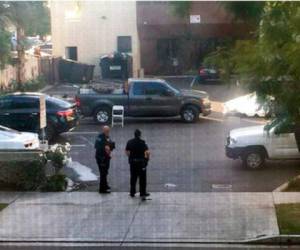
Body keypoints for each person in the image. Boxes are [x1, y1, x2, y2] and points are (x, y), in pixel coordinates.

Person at [125, 129, 150, 200]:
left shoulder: (129, 142)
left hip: (133, 163)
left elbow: (127, 151)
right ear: (140, 135)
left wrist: (130, 157)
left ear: (134, 134)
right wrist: (147, 159)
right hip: (141, 163)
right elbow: (147, 152)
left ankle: (132, 192)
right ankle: (142, 192)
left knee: (133, 178)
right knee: (142, 179)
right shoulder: (143, 142)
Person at [95, 125, 115, 193]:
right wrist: (105, 147)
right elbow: (97, 146)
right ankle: (102, 189)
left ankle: (105, 185)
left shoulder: (107, 137)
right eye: (106, 131)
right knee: (103, 173)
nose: (107, 132)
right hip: (101, 158)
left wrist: (110, 147)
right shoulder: (100, 137)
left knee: (105, 172)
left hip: (106, 157)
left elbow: (110, 144)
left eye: (108, 131)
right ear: (103, 130)